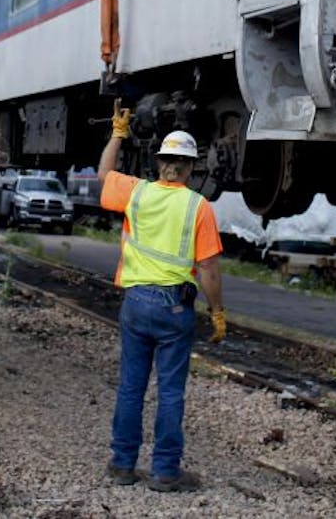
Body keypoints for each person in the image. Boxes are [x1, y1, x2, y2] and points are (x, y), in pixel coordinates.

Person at [98, 106, 225, 493]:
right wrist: (217, 311)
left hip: (136, 304)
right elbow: (208, 270)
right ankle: (165, 472)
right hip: (173, 309)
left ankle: (122, 465)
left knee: (130, 387)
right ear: (189, 168)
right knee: (170, 392)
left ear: (160, 164)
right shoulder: (198, 207)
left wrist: (118, 132)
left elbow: (103, 174)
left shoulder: (137, 193)